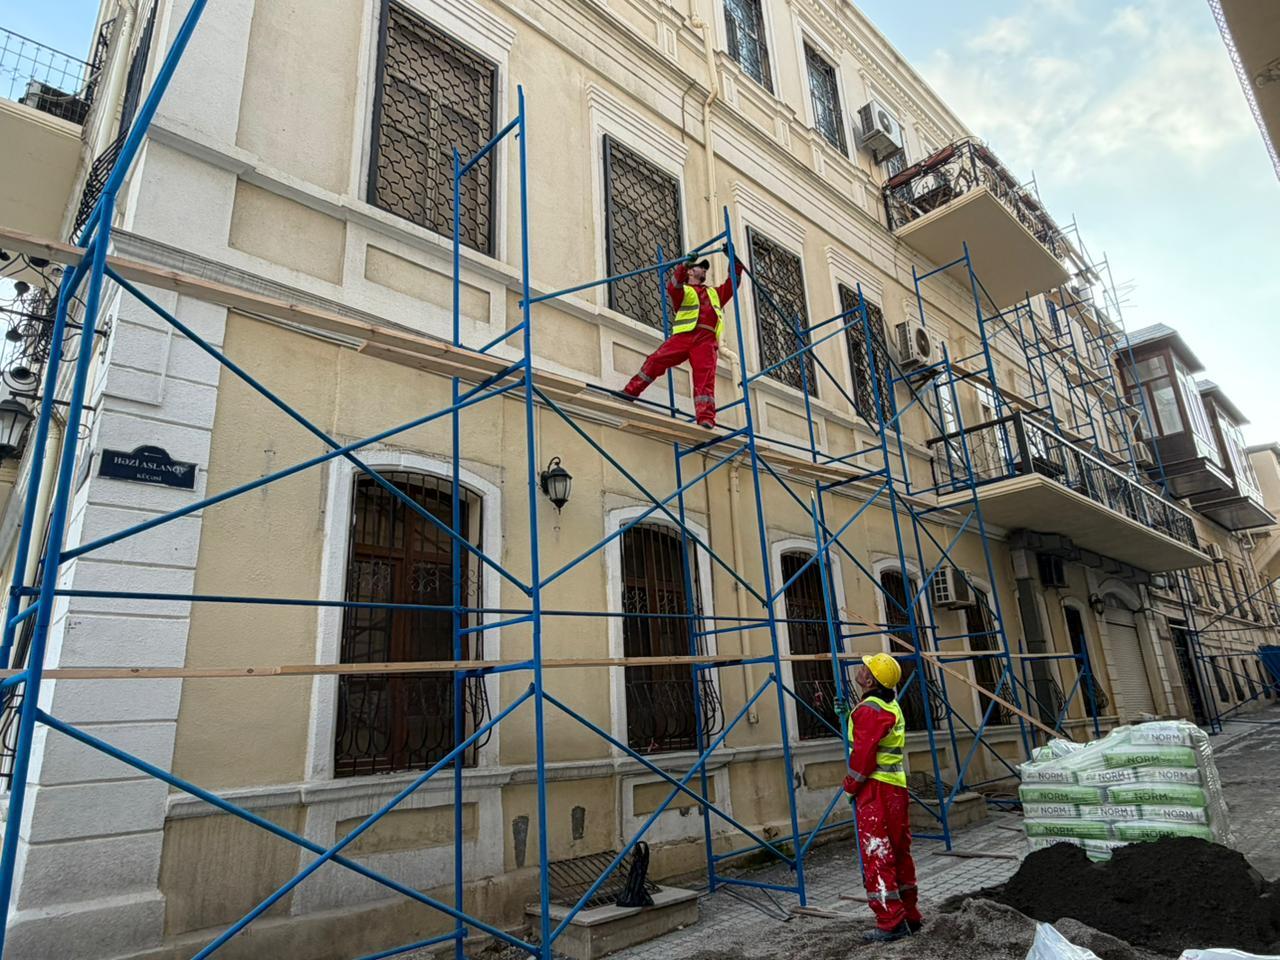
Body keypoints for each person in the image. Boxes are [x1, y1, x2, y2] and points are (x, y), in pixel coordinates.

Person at [839, 652, 923, 943]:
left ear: (871, 679)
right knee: (899, 851)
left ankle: (890, 921)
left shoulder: (868, 711)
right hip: (896, 787)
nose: (860, 669)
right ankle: (910, 915)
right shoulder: (889, 706)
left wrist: (850, 786)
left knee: (877, 853)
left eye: (865, 667)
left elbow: (863, 759)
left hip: (876, 790)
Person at [620, 251, 744, 428]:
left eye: (704, 267)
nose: (704, 269)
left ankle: (706, 418)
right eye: (700, 266)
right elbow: (673, 285)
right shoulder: (683, 290)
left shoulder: (715, 293)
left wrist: (734, 261)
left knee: (705, 379)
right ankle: (631, 391)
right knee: (656, 360)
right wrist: (684, 265)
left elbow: (733, 283)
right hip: (684, 336)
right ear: (691, 272)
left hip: (706, 340)